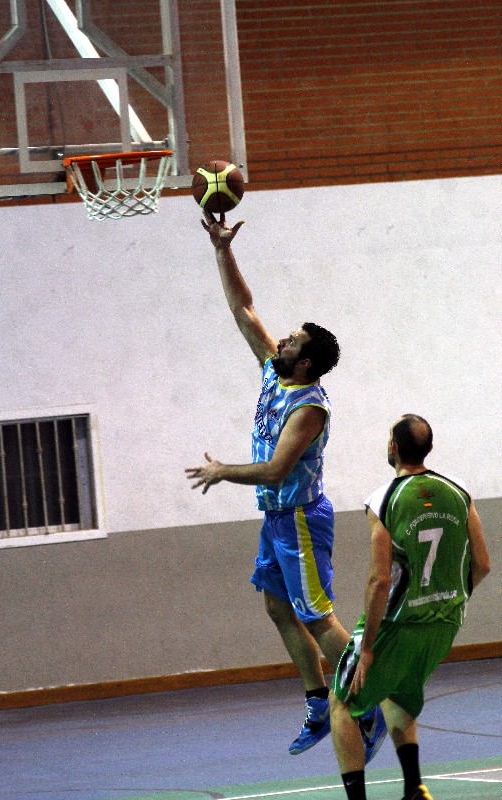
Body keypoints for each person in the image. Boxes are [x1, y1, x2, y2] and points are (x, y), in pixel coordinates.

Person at [186, 211, 386, 760]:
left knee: (318, 616)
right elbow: (243, 309)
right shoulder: (275, 371)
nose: (282, 340)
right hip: (276, 519)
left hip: (299, 518)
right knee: (278, 607)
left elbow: (276, 470)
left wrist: (223, 470)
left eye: (292, 340)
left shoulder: (310, 408)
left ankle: (369, 707)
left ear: (307, 362)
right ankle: (319, 703)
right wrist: (222, 250)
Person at [330, 414, 491, 800]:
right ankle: (414, 789)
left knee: (341, 703)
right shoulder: (459, 491)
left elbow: (380, 580)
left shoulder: (383, 500)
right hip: (444, 623)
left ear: (394, 448)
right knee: (398, 694)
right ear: (429, 448)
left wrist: (368, 647)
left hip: (397, 623)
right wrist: (448, 599)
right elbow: (483, 564)